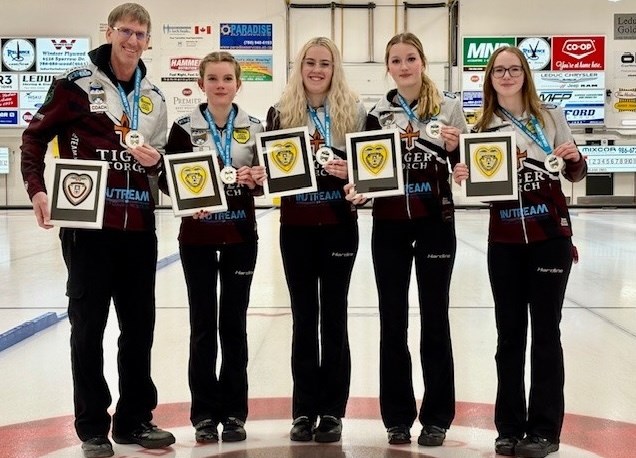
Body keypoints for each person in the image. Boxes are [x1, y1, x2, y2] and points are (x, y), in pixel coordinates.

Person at [20, 3, 174, 458]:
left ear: (149, 40)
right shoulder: (74, 84)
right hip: (89, 228)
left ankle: (134, 421)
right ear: (109, 32)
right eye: (125, 31)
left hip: (140, 228)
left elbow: (165, 166)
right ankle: (91, 427)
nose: (132, 40)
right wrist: (36, 189)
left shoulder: (156, 98)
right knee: (88, 328)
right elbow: (33, 137)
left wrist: (161, 164)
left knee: (139, 328)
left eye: (140, 33)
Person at [452, 46, 586, 458]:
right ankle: (508, 427)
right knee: (509, 337)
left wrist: (577, 157)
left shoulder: (551, 117)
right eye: (498, 71)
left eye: (513, 69)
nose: (506, 76)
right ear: (489, 78)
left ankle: (545, 430)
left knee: (546, 335)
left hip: (550, 237)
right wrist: (464, 175)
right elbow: (485, 193)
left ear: (525, 74)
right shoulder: (481, 128)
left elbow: (575, 172)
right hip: (505, 241)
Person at [345, 32, 468, 447]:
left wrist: (457, 153)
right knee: (391, 321)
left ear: (423, 61)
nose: (403, 66)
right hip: (390, 225)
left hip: (436, 221)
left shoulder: (448, 106)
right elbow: (368, 168)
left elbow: (467, 163)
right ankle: (396, 418)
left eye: (410, 58)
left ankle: (437, 418)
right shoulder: (377, 112)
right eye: (395, 60)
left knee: (435, 319)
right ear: (387, 67)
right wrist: (358, 188)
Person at [251, 36, 366, 443]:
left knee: (334, 318)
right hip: (296, 228)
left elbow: (370, 174)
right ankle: (303, 412)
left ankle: (332, 412)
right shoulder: (280, 113)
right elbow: (270, 166)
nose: (317, 70)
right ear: (299, 68)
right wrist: (264, 175)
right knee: (303, 320)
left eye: (326, 64)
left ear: (335, 69)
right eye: (310, 63)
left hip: (338, 227)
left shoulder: (354, 112)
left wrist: (352, 174)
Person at [158, 51, 263, 444]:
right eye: (213, 79)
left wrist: (257, 179)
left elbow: (267, 181)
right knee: (203, 327)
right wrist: (188, 197)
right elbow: (169, 179)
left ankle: (234, 413)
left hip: (240, 236)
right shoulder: (184, 127)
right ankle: (203, 414)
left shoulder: (253, 127)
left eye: (227, 78)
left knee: (233, 327)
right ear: (201, 84)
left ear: (238, 84)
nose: (221, 85)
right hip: (197, 239)